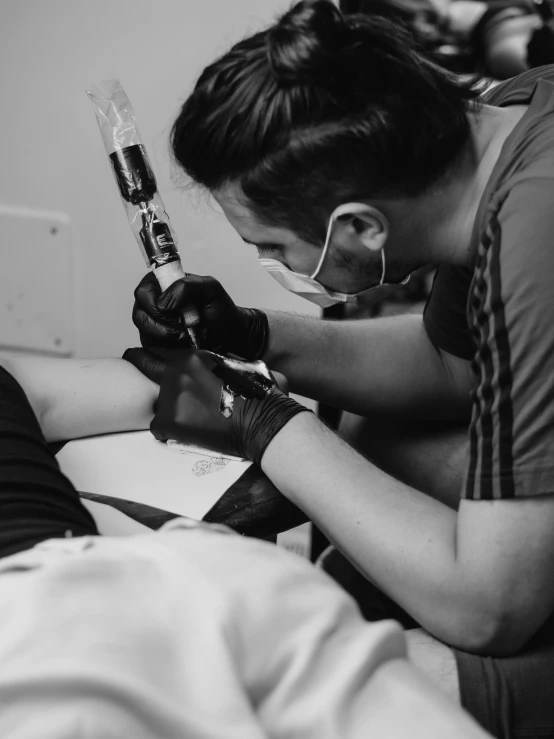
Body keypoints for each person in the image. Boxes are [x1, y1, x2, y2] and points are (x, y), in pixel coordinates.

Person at [128, 1, 554, 736]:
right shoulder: (505, 122)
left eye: (275, 247)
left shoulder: (536, 233)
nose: (273, 267)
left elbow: (490, 609)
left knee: (344, 691)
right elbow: (452, 363)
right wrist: (254, 334)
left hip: (496, 606)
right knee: (375, 441)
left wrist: (266, 426)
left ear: (359, 226)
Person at [0, 354, 488, 738]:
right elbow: (173, 389)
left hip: (48, 622)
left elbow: (191, 388)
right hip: (209, 579)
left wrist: (236, 387)